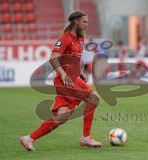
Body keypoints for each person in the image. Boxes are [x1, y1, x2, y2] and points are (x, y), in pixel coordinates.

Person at [20, 11, 102, 151]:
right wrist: (63, 75)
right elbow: (53, 58)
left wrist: (80, 71)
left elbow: (73, 58)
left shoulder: (80, 39)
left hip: (74, 78)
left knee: (62, 116)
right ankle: (86, 137)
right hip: (66, 80)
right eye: (84, 22)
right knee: (93, 98)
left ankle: (29, 138)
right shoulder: (65, 38)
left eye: (87, 22)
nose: (87, 25)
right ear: (76, 22)